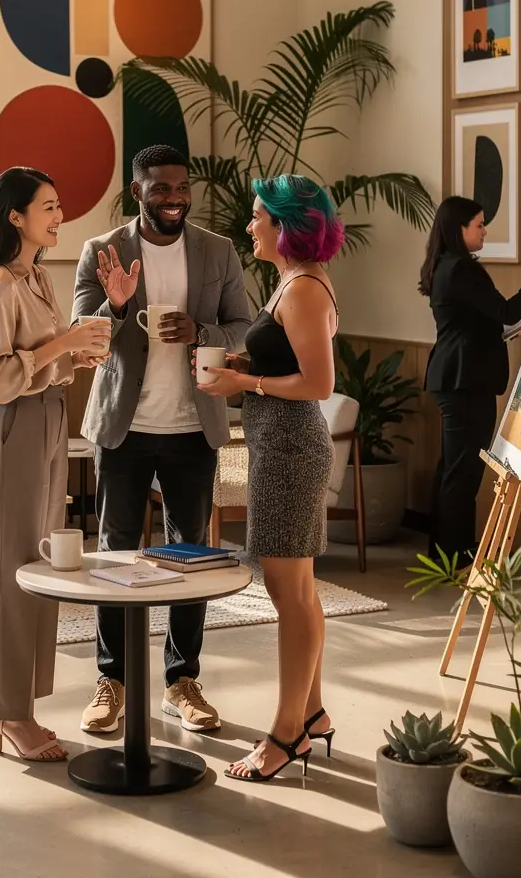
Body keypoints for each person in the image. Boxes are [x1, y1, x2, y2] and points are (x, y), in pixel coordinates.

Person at [72, 144, 251, 735]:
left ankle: (182, 680)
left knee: (191, 552)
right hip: (123, 428)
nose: (174, 199)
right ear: (137, 190)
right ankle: (113, 680)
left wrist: (201, 332)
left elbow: (243, 327)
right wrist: (117, 305)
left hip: (193, 428)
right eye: (161, 189)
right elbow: (83, 335)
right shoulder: (102, 251)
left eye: (181, 188)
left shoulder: (219, 251)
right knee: (115, 553)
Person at [0, 166, 110, 763]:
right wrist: (66, 344)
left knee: (38, 566)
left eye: (58, 204)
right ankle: (7, 712)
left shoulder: (39, 277)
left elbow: (45, 361)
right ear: (15, 216)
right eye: (48, 206)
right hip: (13, 426)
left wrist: (76, 356)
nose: (59, 215)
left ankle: (16, 706)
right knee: (9, 571)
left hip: (48, 419)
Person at [198, 175, 342, 782]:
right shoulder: (293, 280)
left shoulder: (303, 287)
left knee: (290, 597)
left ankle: (285, 737)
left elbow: (319, 384)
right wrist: (246, 364)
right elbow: (291, 360)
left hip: (289, 450)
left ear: (285, 225)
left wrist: (246, 382)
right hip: (279, 445)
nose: (249, 224)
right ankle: (312, 713)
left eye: (258, 216)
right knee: (301, 593)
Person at [420, 196, 521, 566]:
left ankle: (444, 557)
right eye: (479, 225)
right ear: (459, 229)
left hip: (456, 378)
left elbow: (480, 320)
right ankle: (457, 559)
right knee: (462, 475)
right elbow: (506, 311)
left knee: (453, 471)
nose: (485, 231)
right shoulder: (461, 268)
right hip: (464, 381)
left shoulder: (446, 265)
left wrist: (503, 329)